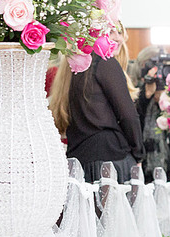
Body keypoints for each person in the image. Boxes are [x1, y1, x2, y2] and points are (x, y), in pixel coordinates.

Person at [49, 47, 143, 184]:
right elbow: (128, 115)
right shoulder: (102, 62)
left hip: (78, 160)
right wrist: (138, 153)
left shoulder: (70, 66)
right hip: (110, 157)